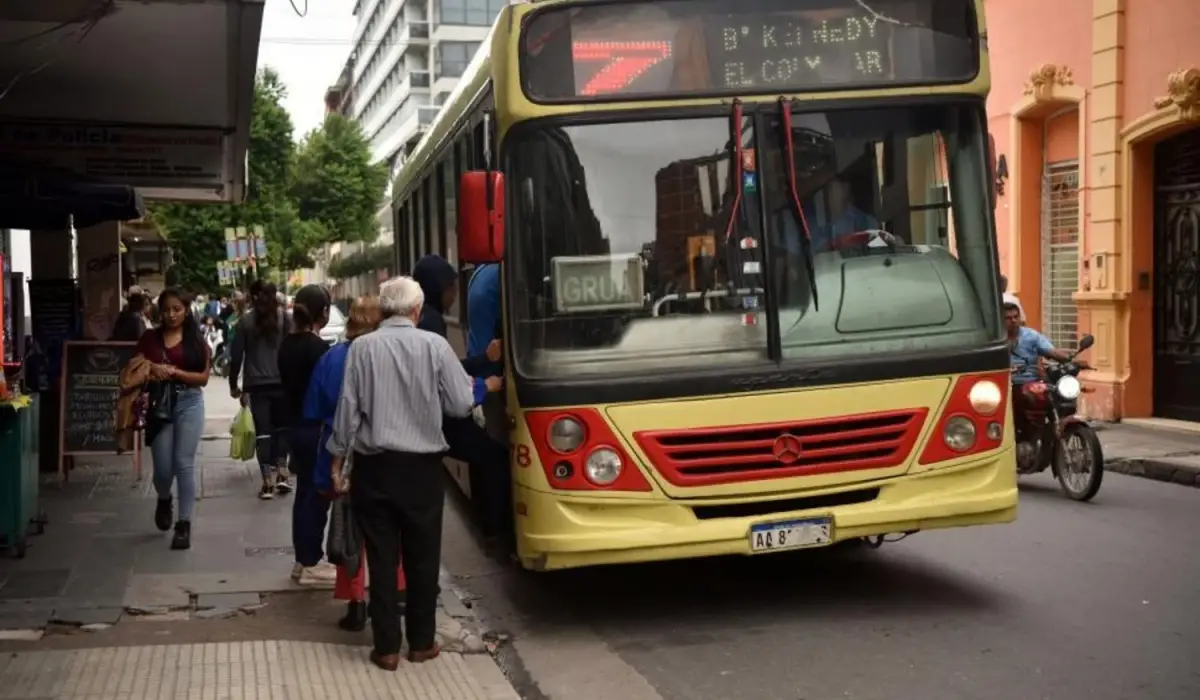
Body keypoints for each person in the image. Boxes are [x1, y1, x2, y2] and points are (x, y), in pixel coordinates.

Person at [327, 277, 474, 671]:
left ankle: (387, 648)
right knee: (423, 559)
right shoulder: (435, 346)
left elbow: (348, 410)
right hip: (422, 470)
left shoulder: (361, 348)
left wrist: (337, 459)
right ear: (417, 310)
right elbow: (461, 404)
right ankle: (422, 643)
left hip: (374, 468)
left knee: (382, 557)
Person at [304, 295, 405, 631]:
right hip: (386, 452)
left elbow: (314, 410)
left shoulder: (333, 358)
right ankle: (391, 594)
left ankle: (356, 602)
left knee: (351, 532)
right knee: (390, 529)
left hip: (344, 456)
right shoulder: (390, 357)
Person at [412, 255, 507, 541]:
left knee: (483, 454)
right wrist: (484, 386)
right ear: (437, 288)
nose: (455, 295)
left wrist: (482, 360)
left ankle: (488, 523)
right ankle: (496, 529)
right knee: (495, 457)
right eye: (452, 288)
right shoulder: (431, 322)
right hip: (440, 417)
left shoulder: (426, 317)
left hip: (432, 414)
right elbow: (444, 375)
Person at [132, 288, 211, 550]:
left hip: (189, 402)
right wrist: (154, 368)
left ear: (186, 310)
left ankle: (184, 524)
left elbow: (203, 378)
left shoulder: (196, 341)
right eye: (166, 310)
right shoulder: (150, 338)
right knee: (163, 469)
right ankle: (164, 498)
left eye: (176, 309)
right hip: (159, 404)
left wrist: (175, 372)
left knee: (184, 464)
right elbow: (135, 365)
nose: (171, 314)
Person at [278, 285, 335, 586]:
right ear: (323, 312)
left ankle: (303, 559)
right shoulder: (318, 348)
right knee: (317, 496)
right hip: (316, 429)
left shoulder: (287, 344)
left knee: (303, 495)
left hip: (294, 427)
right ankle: (312, 560)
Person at [229, 281, 294, 499]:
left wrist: (233, 385)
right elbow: (292, 348)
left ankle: (267, 482)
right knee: (283, 429)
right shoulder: (285, 318)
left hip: (256, 385)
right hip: (282, 383)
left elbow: (236, 356)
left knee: (263, 432)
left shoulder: (245, 321)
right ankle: (283, 473)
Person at [1006, 303, 1079, 386]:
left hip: (1031, 384)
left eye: (1016, 317)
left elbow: (1052, 351)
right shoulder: (995, 339)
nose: (1013, 321)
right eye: (1008, 318)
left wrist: (1071, 360)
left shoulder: (1031, 335)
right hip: (1003, 385)